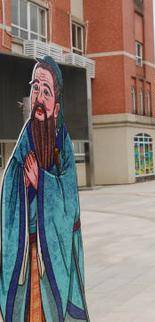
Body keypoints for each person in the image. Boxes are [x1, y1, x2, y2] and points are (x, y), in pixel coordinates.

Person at [0, 56, 89, 321]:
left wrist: (42, 182)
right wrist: (20, 179)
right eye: (35, 88)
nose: (39, 97)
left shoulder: (63, 142)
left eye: (46, 91)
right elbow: (9, 185)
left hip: (55, 252)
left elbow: (70, 198)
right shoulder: (25, 136)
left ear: (56, 106)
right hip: (26, 253)